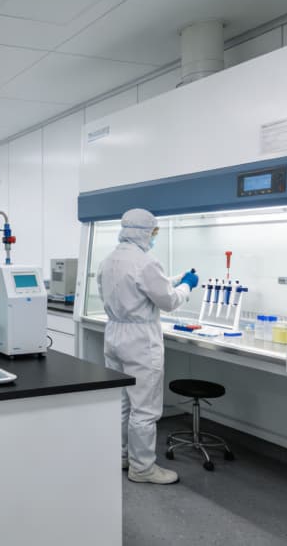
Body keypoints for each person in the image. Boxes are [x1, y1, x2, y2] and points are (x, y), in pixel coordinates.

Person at [97, 208, 198, 485]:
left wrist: (176, 279)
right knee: (144, 407)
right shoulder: (146, 262)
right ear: (144, 232)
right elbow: (169, 301)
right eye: (154, 232)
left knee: (123, 402)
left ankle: (122, 456)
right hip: (140, 340)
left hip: (114, 332)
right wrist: (188, 286)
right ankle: (142, 468)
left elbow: (142, 287)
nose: (154, 237)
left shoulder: (109, 260)